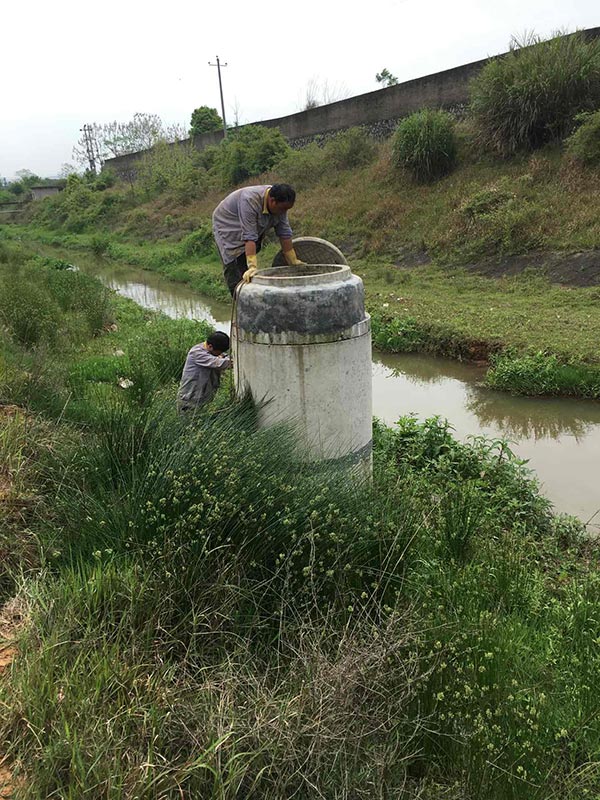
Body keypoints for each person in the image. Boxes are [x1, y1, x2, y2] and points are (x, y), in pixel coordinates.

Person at [212, 183, 304, 296]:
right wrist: (252, 267)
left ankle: (250, 287)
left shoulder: (280, 205)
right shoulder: (250, 200)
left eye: (287, 209)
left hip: (251, 224)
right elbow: (249, 236)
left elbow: (284, 232)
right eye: (282, 209)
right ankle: (240, 301)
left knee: (249, 253)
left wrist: (292, 259)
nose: (284, 212)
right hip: (227, 225)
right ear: (272, 201)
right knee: (234, 266)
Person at [177, 331, 232, 413]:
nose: (220, 354)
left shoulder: (212, 352)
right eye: (219, 352)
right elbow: (219, 363)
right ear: (210, 346)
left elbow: (223, 357)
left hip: (202, 399)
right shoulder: (197, 353)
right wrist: (236, 361)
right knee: (189, 424)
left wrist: (223, 356)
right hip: (189, 400)